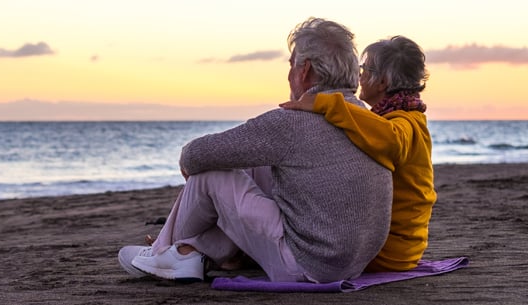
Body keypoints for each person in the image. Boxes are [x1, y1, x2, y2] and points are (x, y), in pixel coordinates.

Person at [117, 17, 394, 284]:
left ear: (305, 70)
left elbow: (196, 155)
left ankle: (167, 253)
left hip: (306, 265)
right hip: (353, 264)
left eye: (291, 65)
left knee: (211, 176)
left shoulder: (292, 122)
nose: (288, 75)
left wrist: (190, 161)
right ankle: (192, 252)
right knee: (255, 166)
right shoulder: (364, 119)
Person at [279, 35, 436, 272]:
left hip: (389, 253)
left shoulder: (406, 123)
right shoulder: (394, 118)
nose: (359, 75)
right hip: (398, 250)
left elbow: (391, 139)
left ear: (382, 81)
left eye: (365, 69)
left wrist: (328, 104)